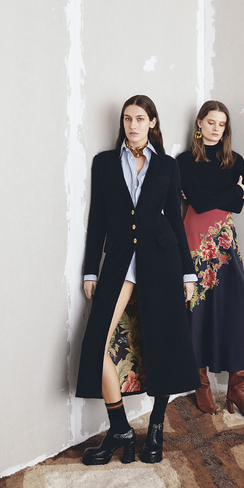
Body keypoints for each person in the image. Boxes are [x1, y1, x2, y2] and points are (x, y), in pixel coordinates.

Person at [76, 95, 200, 465]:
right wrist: (91, 269)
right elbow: (97, 218)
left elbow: (175, 222)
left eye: (140, 118)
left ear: (152, 123)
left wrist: (187, 270)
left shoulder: (165, 166)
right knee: (96, 343)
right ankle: (121, 429)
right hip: (119, 262)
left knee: (163, 343)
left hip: (160, 260)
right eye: (127, 119)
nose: (132, 124)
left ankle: (156, 428)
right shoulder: (104, 163)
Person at [176, 100, 244, 418]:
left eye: (222, 124)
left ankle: (240, 392)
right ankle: (200, 385)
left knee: (238, 309)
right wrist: (235, 193)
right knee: (198, 311)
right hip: (194, 240)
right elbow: (200, 205)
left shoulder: (236, 160)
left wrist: (223, 198)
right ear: (199, 124)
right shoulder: (184, 161)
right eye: (211, 122)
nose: (216, 128)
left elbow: (235, 208)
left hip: (225, 240)